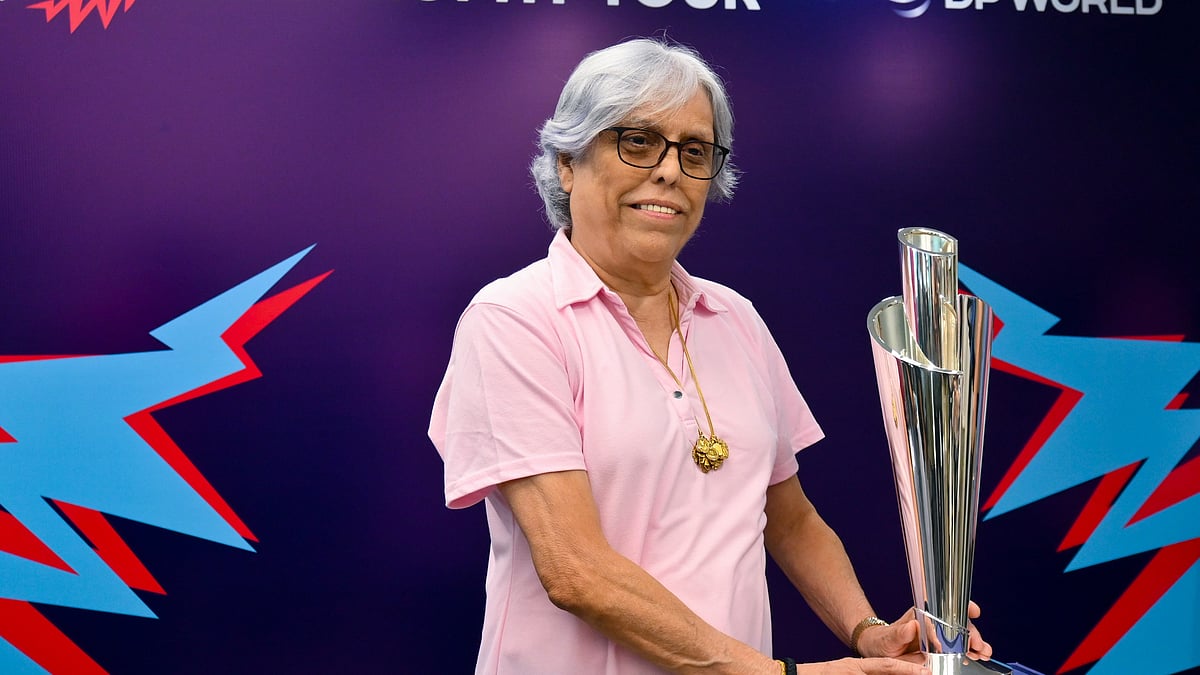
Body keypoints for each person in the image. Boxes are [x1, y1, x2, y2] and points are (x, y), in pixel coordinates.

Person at [429, 38, 994, 675]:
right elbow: (576, 572)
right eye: (637, 140)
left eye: (694, 151)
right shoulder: (513, 319)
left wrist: (867, 634)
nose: (669, 171)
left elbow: (790, 520)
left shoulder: (736, 319)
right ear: (567, 160)